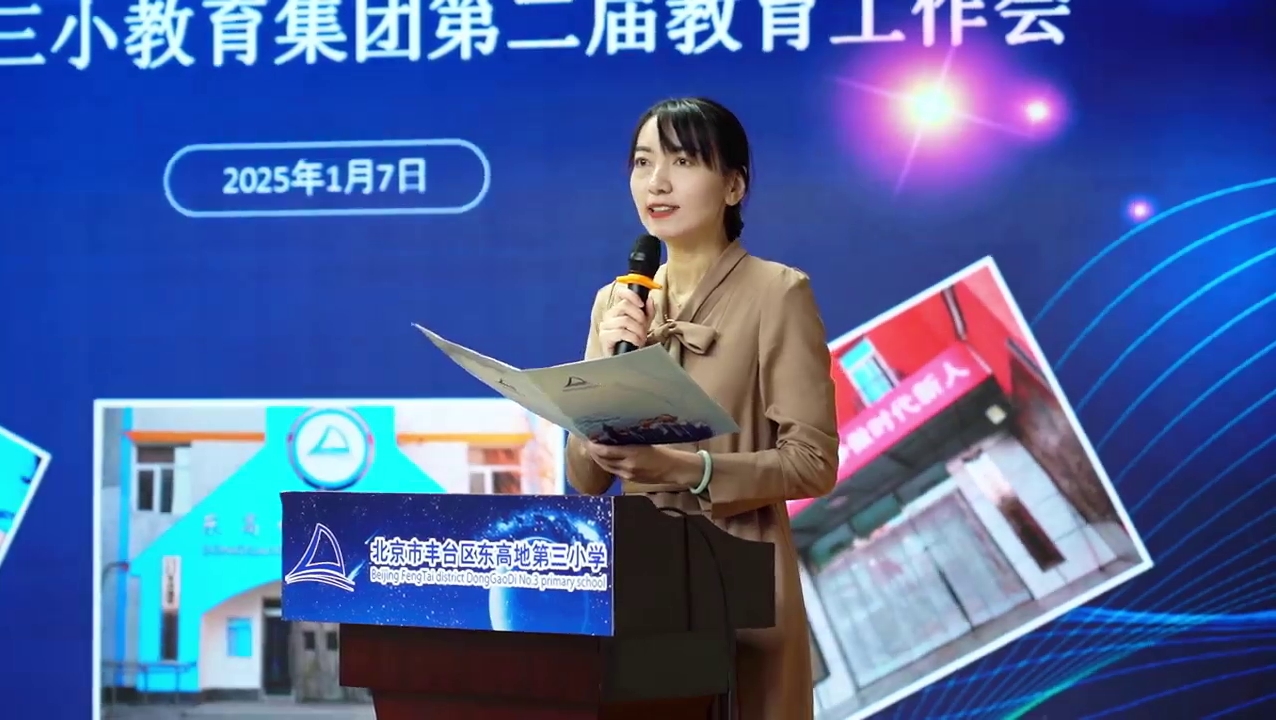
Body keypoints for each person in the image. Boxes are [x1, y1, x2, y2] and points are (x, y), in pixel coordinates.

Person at [565, 97, 840, 720]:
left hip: (743, 583)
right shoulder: (617, 301)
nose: (656, 182)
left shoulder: (778, 292)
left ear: (733, 186)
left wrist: (686, 469)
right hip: (641, 585)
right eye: (643, 162)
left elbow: (813, 462)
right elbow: (585, 479)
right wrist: (607, 380)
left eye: (683, 161)